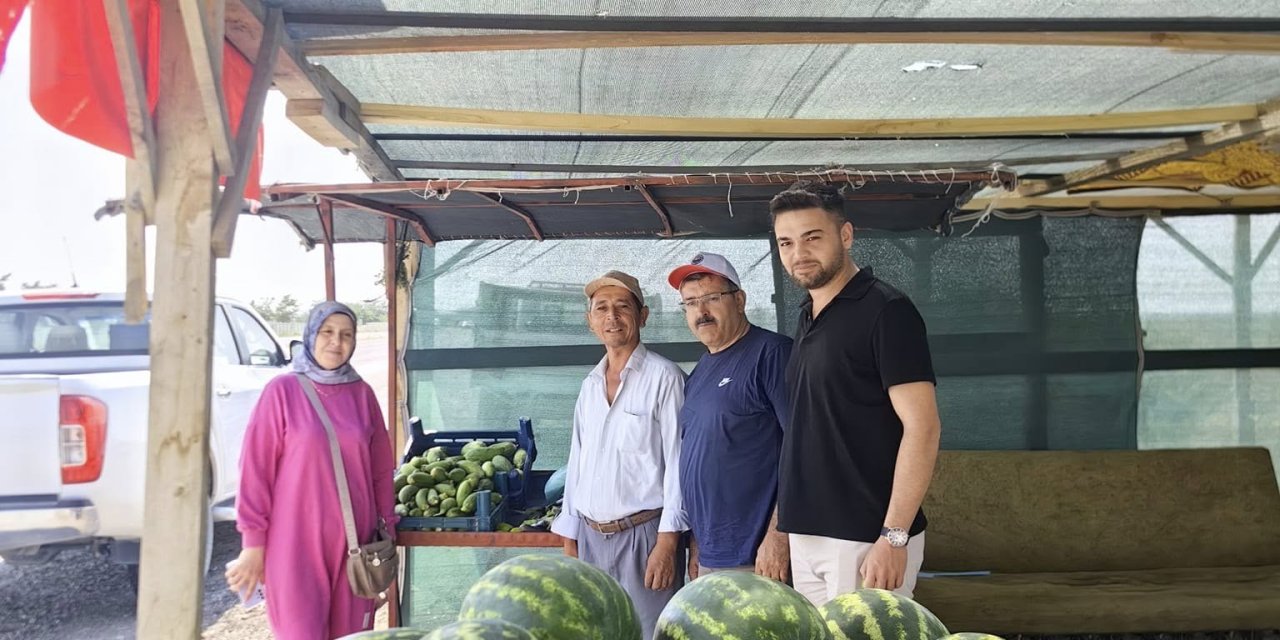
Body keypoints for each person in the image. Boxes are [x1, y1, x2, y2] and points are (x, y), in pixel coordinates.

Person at [770, 181, 942, 607]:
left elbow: (923, 427)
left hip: (866, 538)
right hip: (807, 535)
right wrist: (781, 529)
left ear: (845, 235)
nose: (798, 253)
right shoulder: (808, 314)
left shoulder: (887, 311)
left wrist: (894, 537)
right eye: (786, 242)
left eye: (813, 237)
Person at [225, 302, 398, 639]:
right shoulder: (282, 392)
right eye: (327, 332)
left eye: (346, 335)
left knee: (351, 636)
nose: (337, 342)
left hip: (355, 545)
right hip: (294, 545)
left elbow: (381, 472)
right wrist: (252, 544)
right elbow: (256, 471)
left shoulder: (361, 394)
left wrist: (387, 534)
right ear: (310, 335)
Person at [550, 270, 688, 640]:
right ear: (590, 320)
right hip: (592, 537)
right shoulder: (589, 386)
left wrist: (667, 543)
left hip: (644, 537)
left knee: (650, 632)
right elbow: (578, 463)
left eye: (623, 307)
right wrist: (570, 541)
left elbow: (678, 464)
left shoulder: (665, 377)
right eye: (602, 309)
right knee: (598, 631)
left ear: (642, 316)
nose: (612, 317)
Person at [667, 252, 792, 581]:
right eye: (690, 303)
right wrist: (696, 544)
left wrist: (780, 536)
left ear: (739, 300)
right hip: (712, 553)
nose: (701, 311)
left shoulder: (772, 353)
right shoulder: (701, 370)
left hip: (758, 553)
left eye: (711, 298)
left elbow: (805, 449)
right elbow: (699, 463)